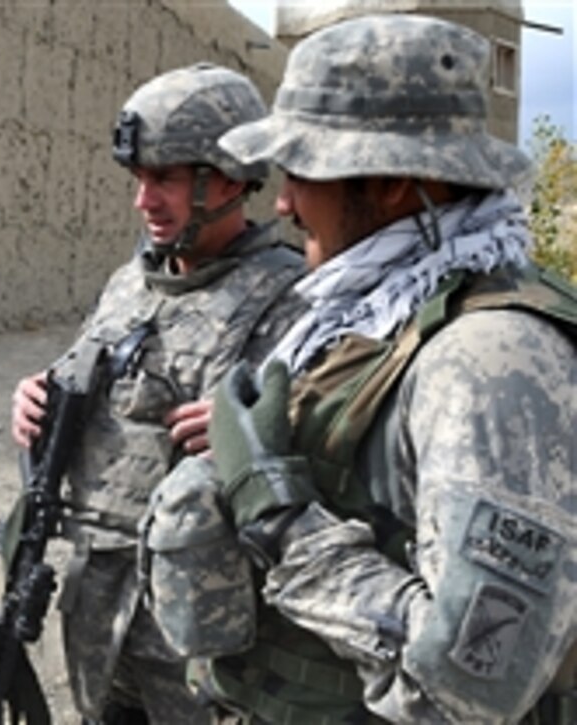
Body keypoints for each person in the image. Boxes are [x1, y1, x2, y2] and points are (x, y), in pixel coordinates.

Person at [199, 13, 577, 724]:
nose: (281, 202)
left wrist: (279, 518)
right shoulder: (376, 313)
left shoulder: (489, 362)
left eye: (301, 172)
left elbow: (468, 686)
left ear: (397, 182)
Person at [10, 64, 306, 724]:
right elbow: (81, 384)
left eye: (165, 177)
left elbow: (322, 449)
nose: (143, 200)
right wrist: (34, 398)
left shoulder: (290, 296)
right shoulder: (128, 285)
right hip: (98, 609)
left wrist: (258, 434)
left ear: (230, 177)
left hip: (201, 630)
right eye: (138, 179)